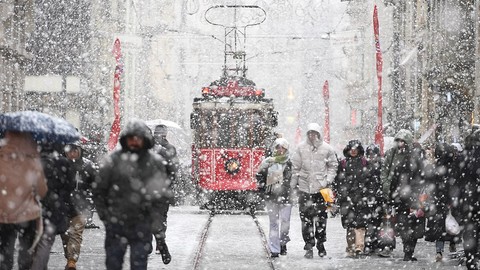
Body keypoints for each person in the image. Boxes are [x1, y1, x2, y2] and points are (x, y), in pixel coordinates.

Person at [93, 119, 170, 270]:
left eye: (138, 138)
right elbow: (99, 190)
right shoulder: (113, 161)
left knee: (139, 263)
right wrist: (106, 216)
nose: (134, 142)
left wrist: (153, 218)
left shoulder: (154, 163)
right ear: (125, 140)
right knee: (113, 263)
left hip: (141, 223)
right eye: (131, 138)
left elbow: (160, 195)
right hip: (116, 222)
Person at [0, 131, 48, 270]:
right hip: (27, 215)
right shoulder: (31, 160)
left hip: (3, 214)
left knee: (5, 251)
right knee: (26, 253)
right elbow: (42, 191)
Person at [291, 123, 338, 259]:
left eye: (314, 133)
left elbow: (333, 166)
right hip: (305, 189)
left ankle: (321, 243)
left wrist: (328, 179)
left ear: (318, 134)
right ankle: (309, 245)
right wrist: (295, 183)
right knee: (305, 220)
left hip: (321, 189)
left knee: (321, 219)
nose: (312, 135)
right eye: (310, 133)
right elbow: (295, 167)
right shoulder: (301, 148)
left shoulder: (327, 149)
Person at [380, 129, 426, 261]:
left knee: (413, 225)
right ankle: (407, 251)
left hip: (412, 196)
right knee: (403, 223)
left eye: (403, 141)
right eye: (399, 141)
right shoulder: (392, 154)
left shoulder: (416, 158)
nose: (401, 144)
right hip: (400, 196)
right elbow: (386, 172)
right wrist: (387, 187)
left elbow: (423, 176)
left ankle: (409, 250)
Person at [31, 144, 77, 270]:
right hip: (53, 209)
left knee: (32, 242)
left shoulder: (32, 161)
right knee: (45, 242)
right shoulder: (63, 162)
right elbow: (70, 186)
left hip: (32, 207)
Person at [61, 140, 99, 270]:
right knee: (65, 235)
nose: (73, 153)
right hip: (63, 207)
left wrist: (91, 200)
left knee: (76, 234)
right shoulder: (60, 165)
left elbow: (96, 185)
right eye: (70, 150)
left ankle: (72, 261)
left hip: (81, 207)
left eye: (75, 150)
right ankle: (69, 257)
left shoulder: (88, 166)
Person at [334, 140, 375, 258]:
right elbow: (338, 181)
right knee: (349, 224)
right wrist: (341, 194)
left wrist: (367, 193)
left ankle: (359, 247)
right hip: (347, 198)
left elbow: (370, 180)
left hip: (361, 198)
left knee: (360, 224)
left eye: (355, 148)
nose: (353, 151)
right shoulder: (342, 163)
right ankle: (351, 247)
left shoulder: (365, 163)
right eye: (351, 148)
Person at [256, 138, 293, 258]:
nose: (280, 150)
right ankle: (274, 249)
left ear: (286, 149)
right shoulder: (267, 162)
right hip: (271, 198)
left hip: (286, 197)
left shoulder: (290, 163)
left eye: (283, 147)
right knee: (273, 223)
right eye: (278, 147)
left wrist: (290, 189)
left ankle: (282, 242)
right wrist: (265, 189)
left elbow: (295, 179)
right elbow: (259, 178)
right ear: (274, 148)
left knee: (285, 222)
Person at [424, 143, 461, 262]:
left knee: (439, 227)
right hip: (451, 201)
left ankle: (439, 251)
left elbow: (431, 184)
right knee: (452, 225)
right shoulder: (455, 167)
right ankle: (452, 245)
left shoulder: (436, 166)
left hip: (438, 201)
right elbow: (456, 185)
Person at [151, 124, 178, 264]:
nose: (157, 135)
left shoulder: (167, 149)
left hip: (161, 192)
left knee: (160, 218)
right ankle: (153, 241)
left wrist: (168, 185)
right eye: (156, 133)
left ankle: (160, 241)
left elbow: (173, 170)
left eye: (160, 133)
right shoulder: (142, 151)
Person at [458, 130, 480, 269]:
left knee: (469, 230)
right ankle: (473, 255)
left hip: (467, 199)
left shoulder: (463, 156)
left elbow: (457, 178)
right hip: (474, 197)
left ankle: (470, 257)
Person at [364, 144, 384, 255]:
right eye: (369, 154)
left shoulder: (381, 165)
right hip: (368, 197)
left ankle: (375, 242)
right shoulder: (365, 166)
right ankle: (369, 243)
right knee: (369, 221)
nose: (371, 157)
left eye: (373, 154)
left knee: (377, 221)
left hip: (378, 197)